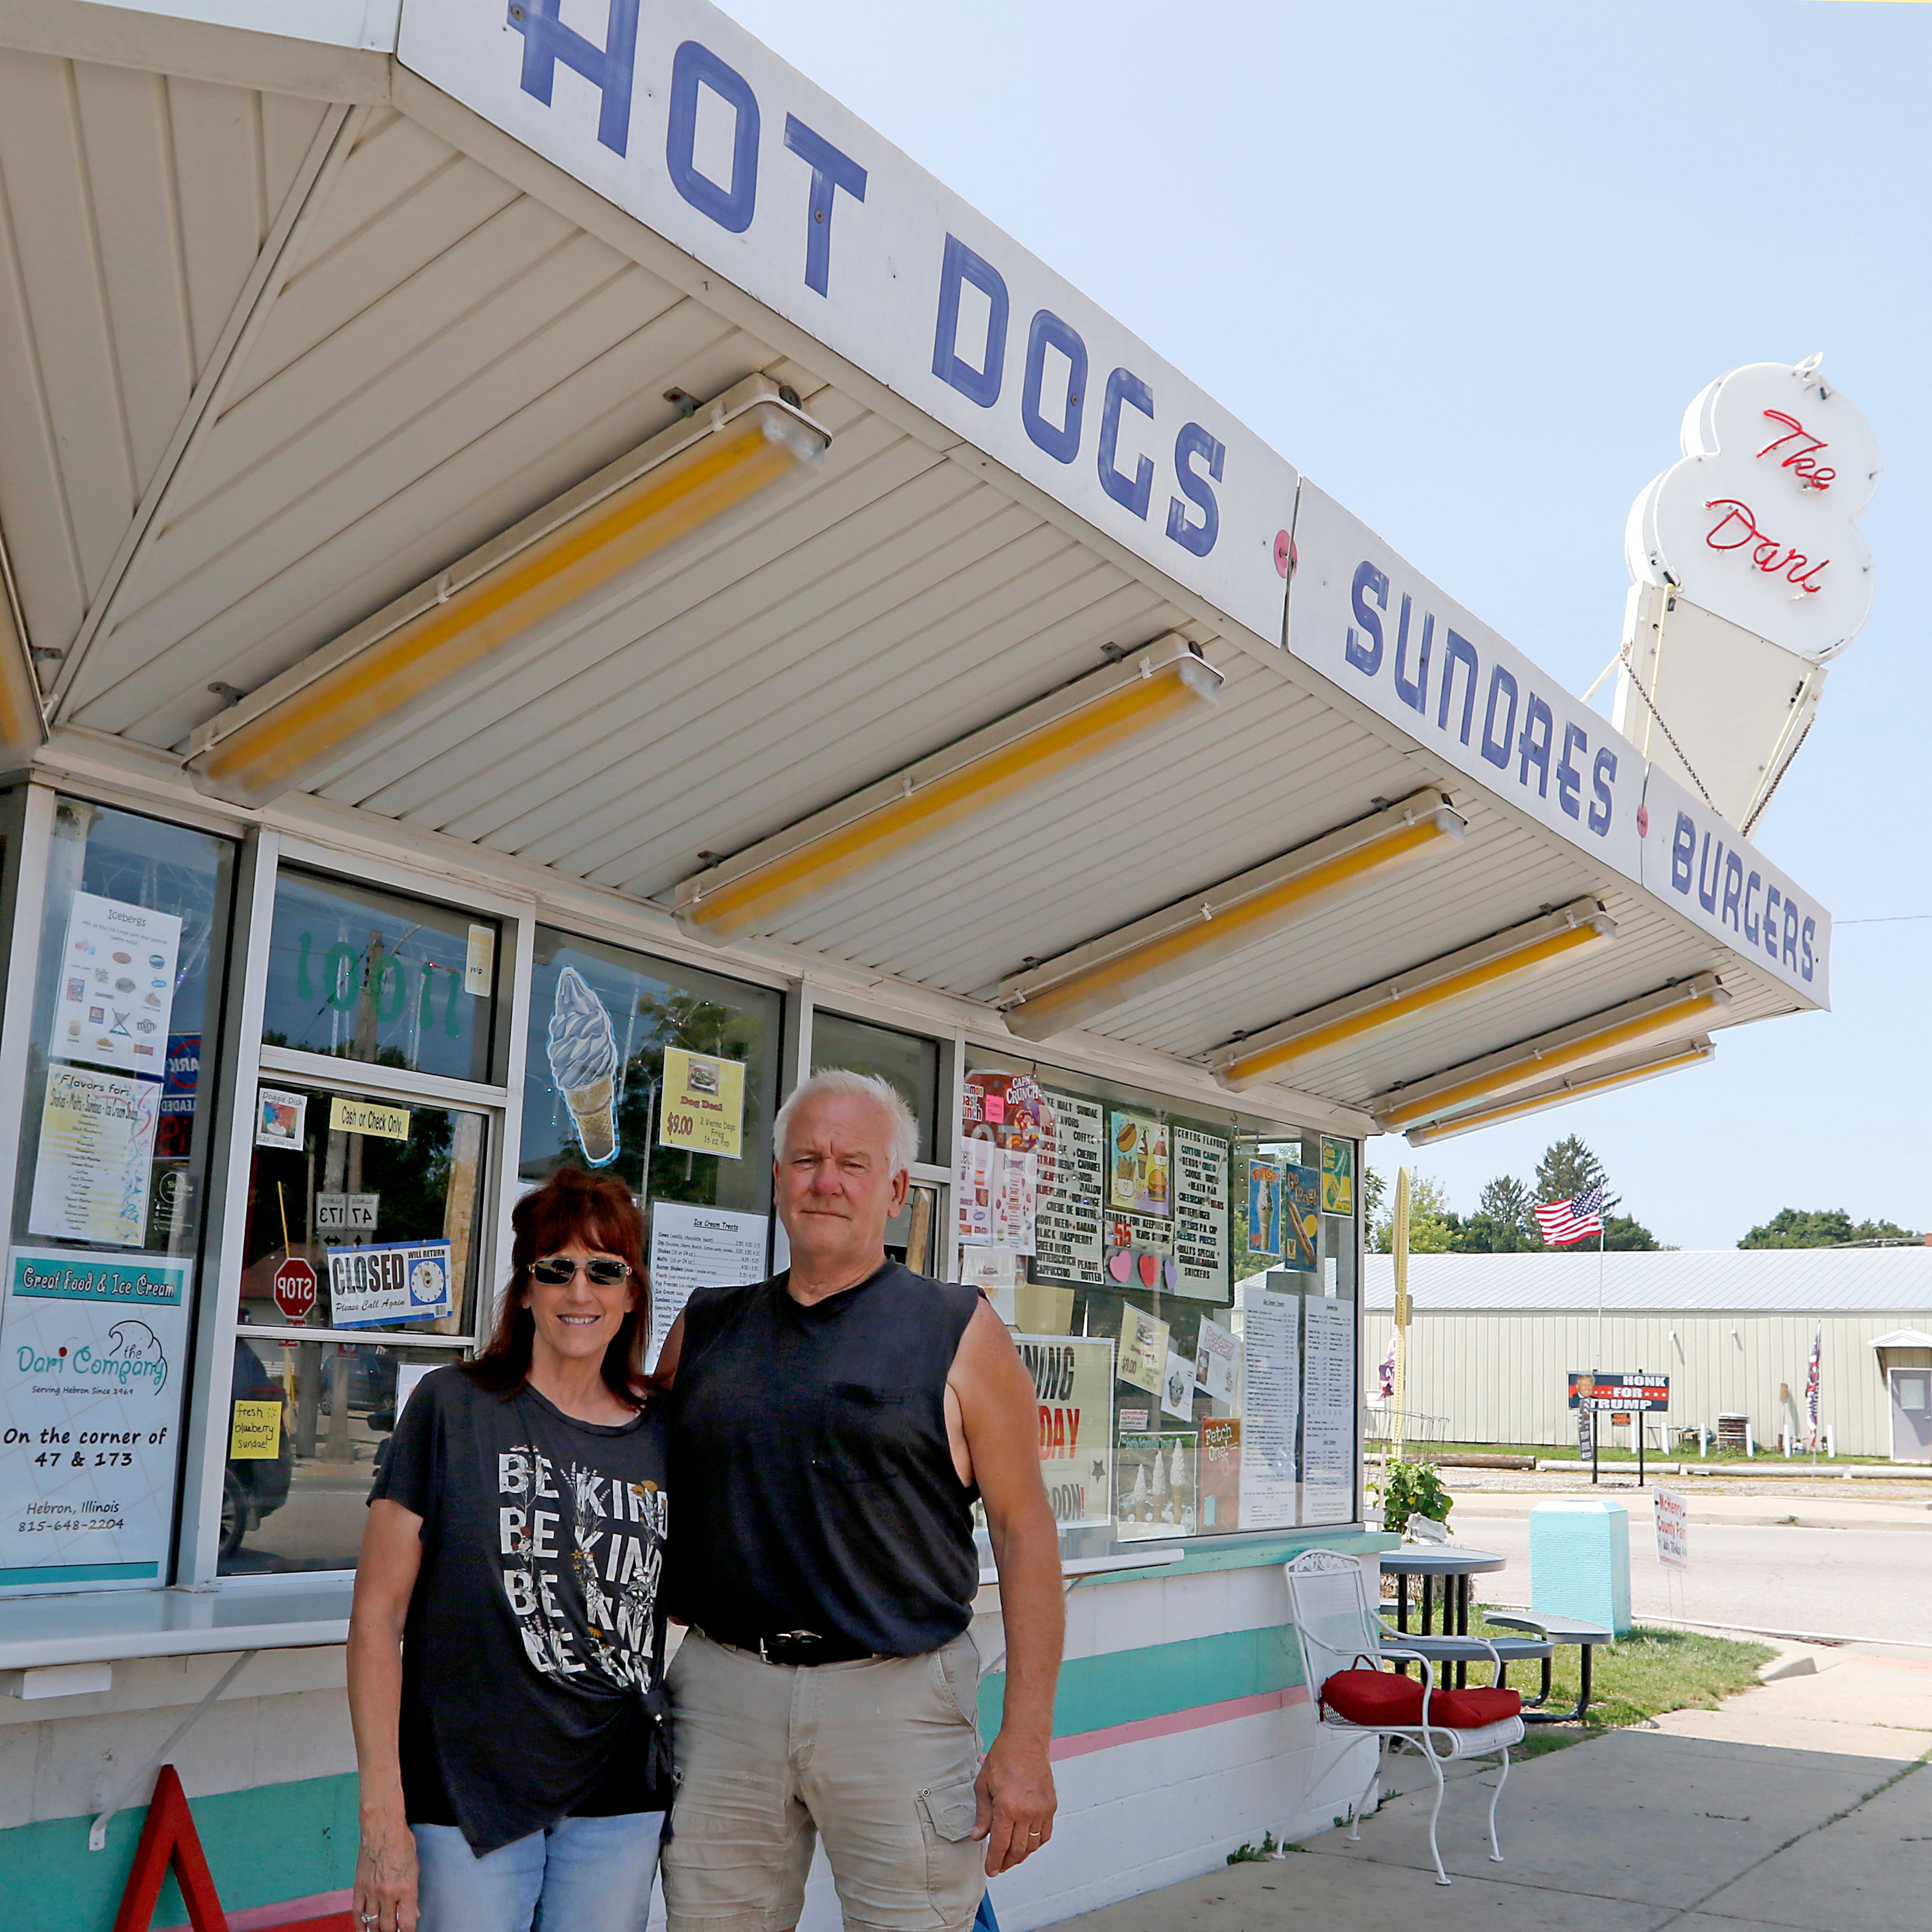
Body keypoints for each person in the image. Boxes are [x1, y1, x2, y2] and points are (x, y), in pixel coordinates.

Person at [654, 1069, 1063, 1932]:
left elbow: (1027, 1537)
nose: (825, 1181)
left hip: (898, 1703)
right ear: (775, 1180)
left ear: (898, 1190)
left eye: (851, 1162)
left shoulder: (960, 1330)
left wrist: (1024, 1744)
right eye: (805, 1159)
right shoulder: (704, 1328)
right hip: (725, 1695)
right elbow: (631, 1500)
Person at [347, 1168, 672, 1932]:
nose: (579, 1291)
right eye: (555, 1269)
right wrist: (382, 1815)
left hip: (618, 1793)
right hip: (467, 1795)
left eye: (604, 1270)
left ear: (632, 1293)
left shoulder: (664, 1430)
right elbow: (375, 1617)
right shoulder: (452, 1408)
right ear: (525, 1290)